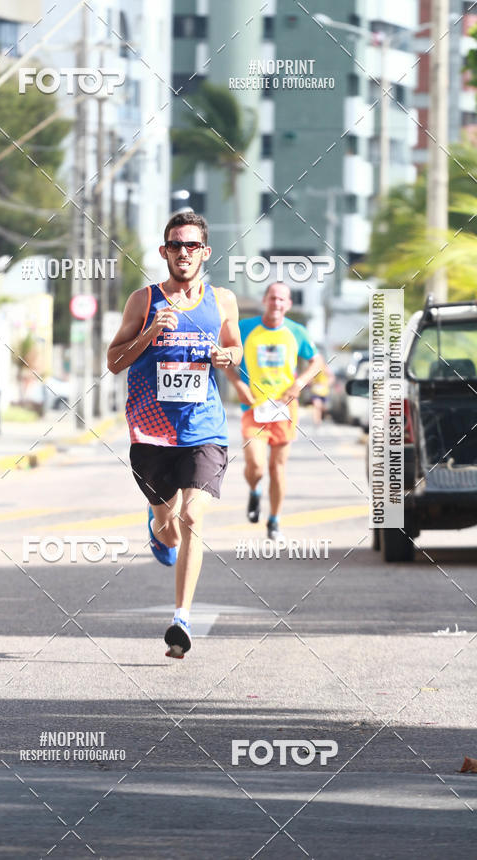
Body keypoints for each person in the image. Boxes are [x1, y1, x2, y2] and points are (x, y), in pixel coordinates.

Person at [107, 211, 242, 659]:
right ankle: (156, 526)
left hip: (205, 429)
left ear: (205, 252)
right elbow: (113, 360)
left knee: (192, 519)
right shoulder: (142, 300)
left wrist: (227, 357)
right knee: (168, 528)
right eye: (174, 246)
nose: (183, 253)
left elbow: (235, 350)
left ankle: (181, 618)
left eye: (191, 246)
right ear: (163, 251)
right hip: (151, 433)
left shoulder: (222, 299)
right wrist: (149, 333)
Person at [226, 282, 323, 539]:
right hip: (254, 408)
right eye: (273, 298)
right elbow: (225, 357)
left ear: (288, 304)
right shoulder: (246, 328)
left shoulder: (296, 331)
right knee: (256, 466)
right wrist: (237, 384)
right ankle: (255, 491)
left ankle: (274, 520)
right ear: (264, 300)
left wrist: (299, 383)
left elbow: (317, 361)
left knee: (277, 468)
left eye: (282, 300)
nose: (277, 303)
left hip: (284, 409)